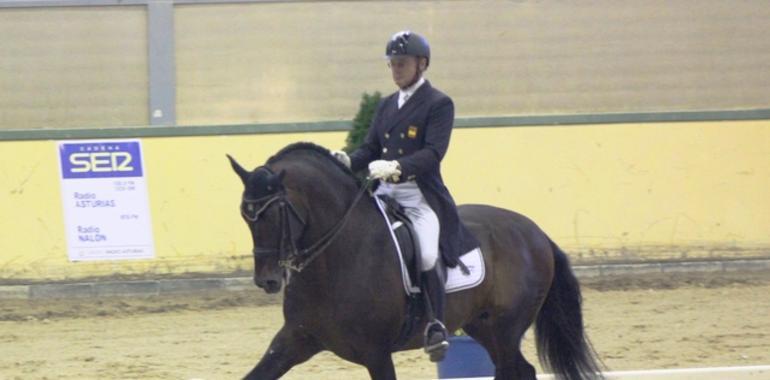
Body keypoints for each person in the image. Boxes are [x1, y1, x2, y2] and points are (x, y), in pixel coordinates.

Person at [332, 31, 479, 362]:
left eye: (402, 63)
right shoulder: (386, 105)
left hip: (419, 196)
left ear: (421, 64)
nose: (396, 69)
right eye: (392, 64)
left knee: (427, 254)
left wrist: (397, 166)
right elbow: (369, 148)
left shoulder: (439, 104)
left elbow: (433, 153)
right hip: (384, 195)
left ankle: (436, 326)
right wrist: (347, 160)